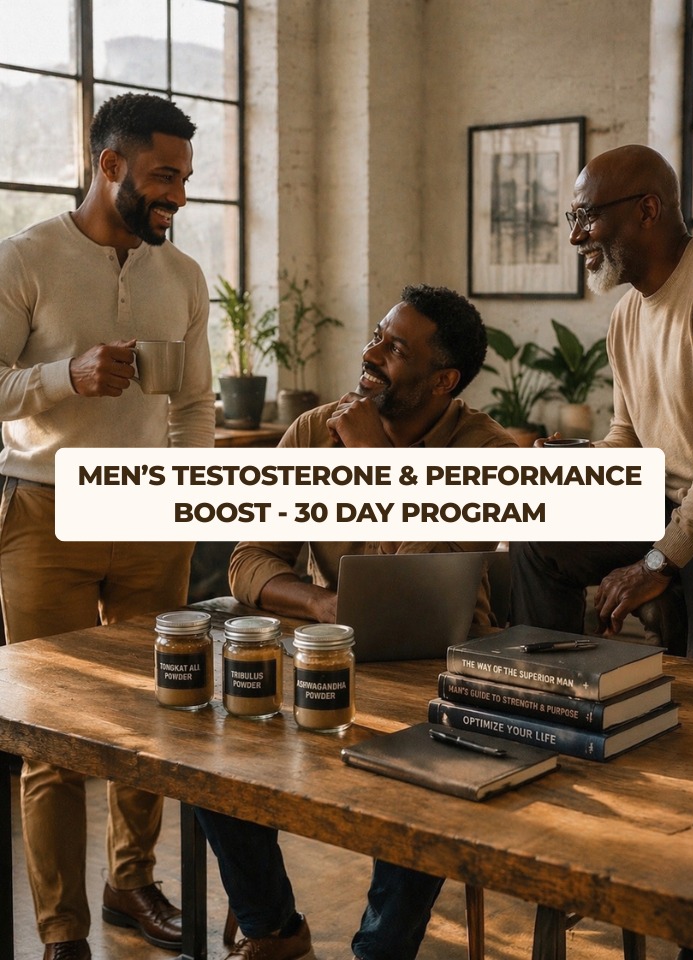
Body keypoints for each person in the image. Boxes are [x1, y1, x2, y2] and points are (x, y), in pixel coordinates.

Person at [194, 283, 516, 960]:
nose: (370, 353)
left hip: (443, 674)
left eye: (395, 349)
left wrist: (377, 463)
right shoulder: (313, 432)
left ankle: (379, 951)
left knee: (423, 786)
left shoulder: (485, 449)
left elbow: (422, 563)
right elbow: (249, 558)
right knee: (205, 755)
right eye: (376, 334)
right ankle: (274, 931)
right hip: (335, 657)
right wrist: (318, 605)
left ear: (443, 380)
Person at [0, 93, 215, 960]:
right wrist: (63, 377)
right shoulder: (25, 260)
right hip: (43, 513)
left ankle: (131, 884)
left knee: (152, 717)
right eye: (165, 176)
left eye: (187, 179)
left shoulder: (184, 277)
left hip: (148, 512)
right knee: (54, 735)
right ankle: (61, 934)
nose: (179, 196)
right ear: (110, 165)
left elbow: (195, 404)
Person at [508, 144, 693, 960]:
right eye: (573, 217)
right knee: (539, 540)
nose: (575, 236)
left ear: (647, 210)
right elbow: (630, 442)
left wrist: (659, 562)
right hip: (661, 504)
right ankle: (553, 728)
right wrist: (562, 473)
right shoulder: (630, 309)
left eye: (585, 216)